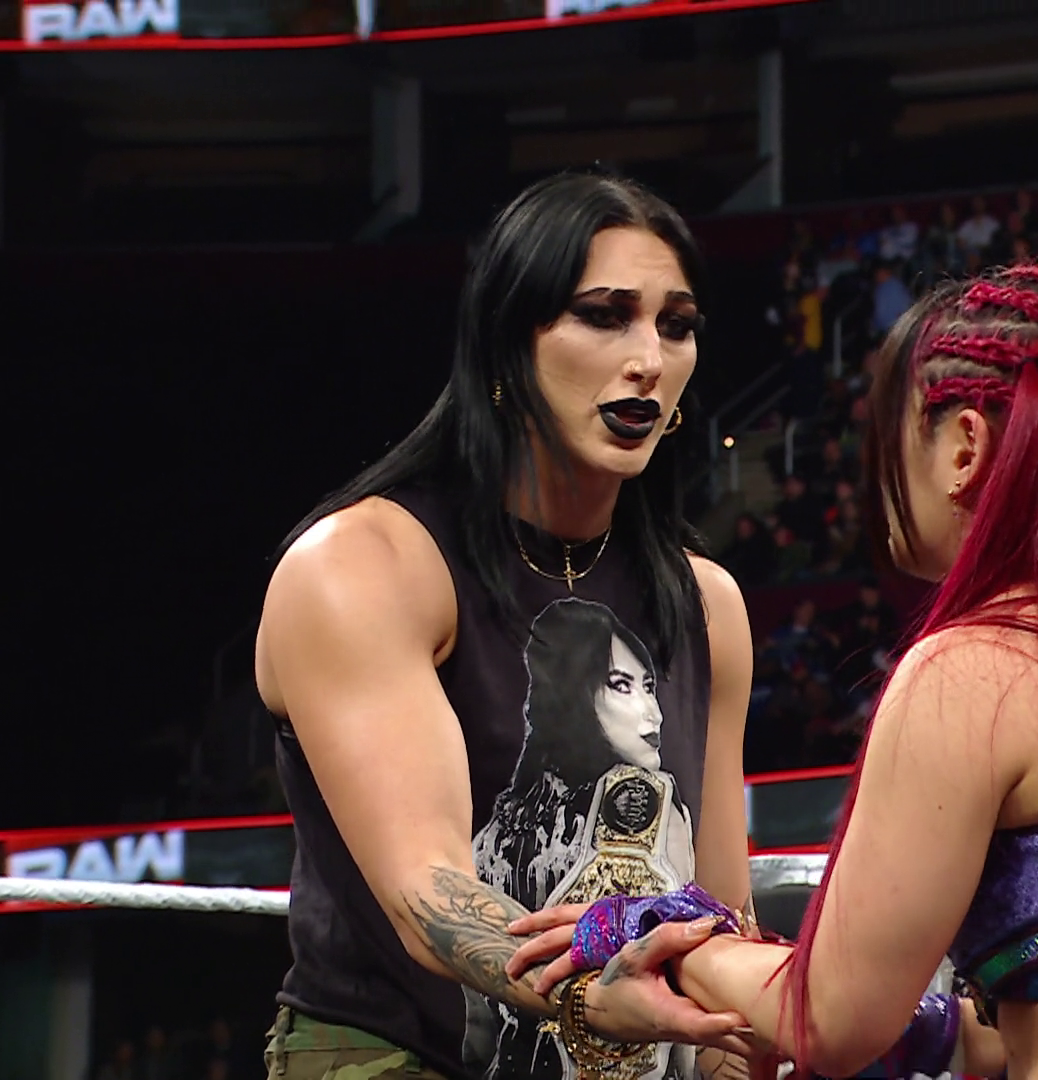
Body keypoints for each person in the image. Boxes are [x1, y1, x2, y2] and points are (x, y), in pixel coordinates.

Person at [511, 261, 1038, 1080]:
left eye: (892, 436)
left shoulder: (975, 674)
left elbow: (826, 1019)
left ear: (964, 448)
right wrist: (918, 1022)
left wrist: (657, 927)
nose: (880, 474)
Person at [254, 171, 760, 1080]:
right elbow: (430, 890)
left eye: (676, 324)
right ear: (506, 341)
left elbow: (719, 914)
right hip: (403, 1058)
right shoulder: (363, 566)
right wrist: (588, 990)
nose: (649, 357)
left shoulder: (707, 603)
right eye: (604, 315)